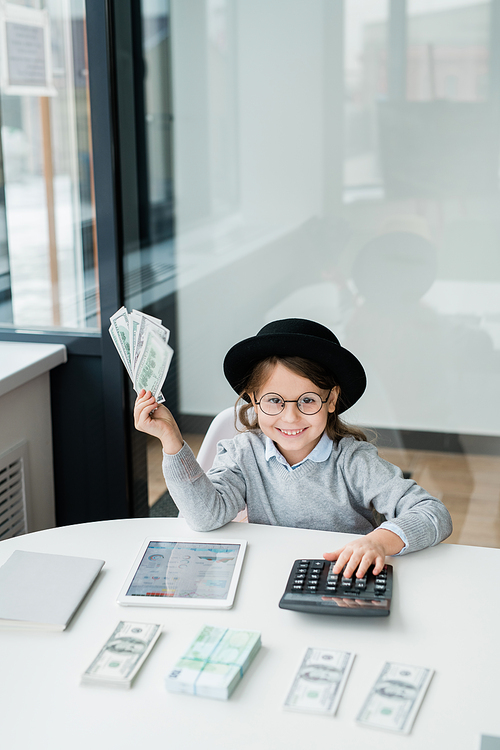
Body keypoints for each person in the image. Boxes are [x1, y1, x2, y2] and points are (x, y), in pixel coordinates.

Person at [134, 318, 452, 579]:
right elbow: (205, 517)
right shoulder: (242, 454)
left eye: (307, 400)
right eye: (274, 401)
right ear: (253, 401)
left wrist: (378, 542)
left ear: (330, 400)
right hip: (271, 576)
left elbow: (433, 513)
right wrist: (171, 442)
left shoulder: (354, 461)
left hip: (343, 577)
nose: (290, 417)